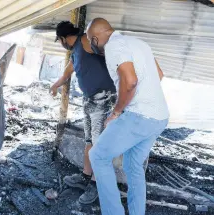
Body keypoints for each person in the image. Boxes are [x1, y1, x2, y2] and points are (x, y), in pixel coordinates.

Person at [86, 18, 169, 215]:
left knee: (97, 156)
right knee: (132, 165)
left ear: (95, 38)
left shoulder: (114, 46)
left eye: (90, 41)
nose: (91, 45)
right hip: (159, 117)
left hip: (140, 115)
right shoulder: (138, 43)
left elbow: (130, 81)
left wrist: (116, 112)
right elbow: (159, 74)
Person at [50, 21, 117, 204]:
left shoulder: (85, 41)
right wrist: (56, 85)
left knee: (99, 144)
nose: (61, 44)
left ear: (63, 38)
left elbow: (109, 52)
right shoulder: (75, 52)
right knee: (89, 140)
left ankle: (97, 185)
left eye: (60, 41)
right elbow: (67, 74)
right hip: (90, 100)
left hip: (103, 98)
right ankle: (86, 177)